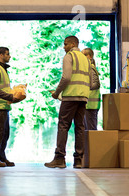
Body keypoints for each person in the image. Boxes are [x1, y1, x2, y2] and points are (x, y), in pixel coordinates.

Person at [44, 36, 99, 169]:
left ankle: (59, 158)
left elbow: (66, 77)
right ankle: (79, 160)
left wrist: (57, 93)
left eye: (65, 44)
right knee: (79, 127)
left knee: (63, 126)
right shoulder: (86, 60)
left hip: (70, 97)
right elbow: (92, 83)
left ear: (73, 44)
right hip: (83, 98)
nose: (64, 47)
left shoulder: (69, 56)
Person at [0, 47, 24, 167]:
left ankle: (1, 156)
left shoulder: (3, 69)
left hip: (4, 106)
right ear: (1, 55)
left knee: (4, 133)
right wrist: (9, 96)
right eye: (8, 54)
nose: (9, 56)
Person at [81, 48, 101, 130]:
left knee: (91, 131)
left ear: (89, 56)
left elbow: (96, 84)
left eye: (83, 55)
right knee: (87, 130)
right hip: (88, 105)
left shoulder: (90, 68)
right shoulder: (87, 67)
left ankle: (93, 143)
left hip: (91, 105)